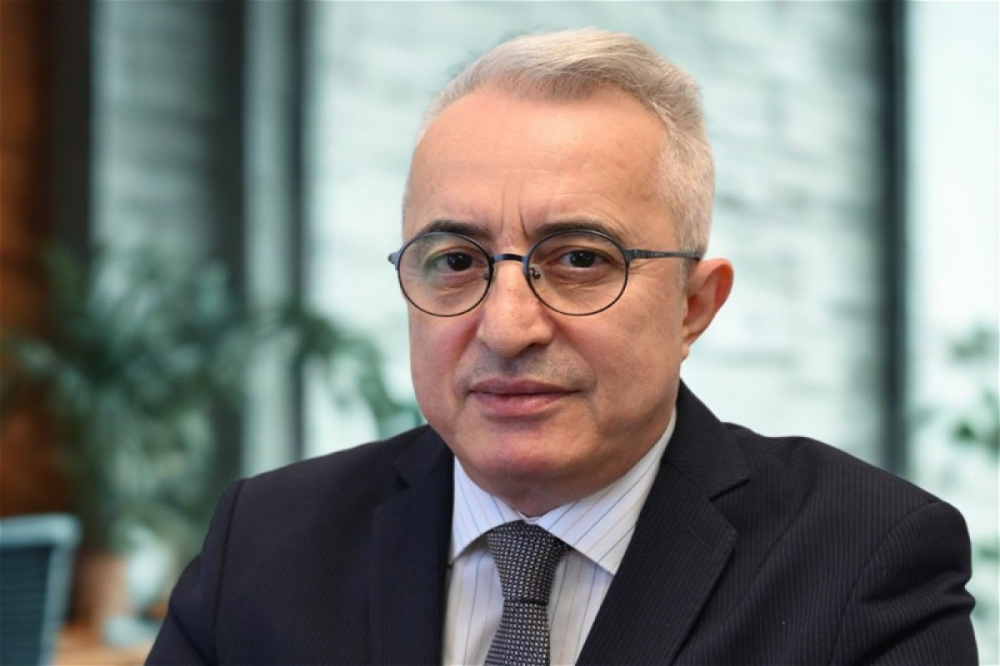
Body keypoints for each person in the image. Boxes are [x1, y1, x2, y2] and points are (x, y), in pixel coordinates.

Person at [147, 28, 977, 665]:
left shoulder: (862, 561)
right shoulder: (264, 544)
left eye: (580, 260)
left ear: (694, 306)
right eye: (456, 262)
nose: (507, 328)